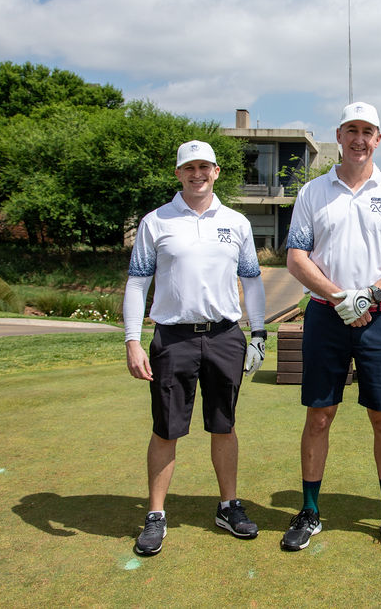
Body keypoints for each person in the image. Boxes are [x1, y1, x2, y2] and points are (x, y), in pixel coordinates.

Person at [282, 102, 381, 555]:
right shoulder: (313, 192)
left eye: (368, 131)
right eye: (351, 130)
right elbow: (297, 257)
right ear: (339, 135)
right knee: (319, 415)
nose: (359, 139)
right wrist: (343, 298)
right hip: (327, 316)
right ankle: (309, 510)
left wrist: (370, 295)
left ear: (378, 138)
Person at [124, 140, 268, 556]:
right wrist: (132, 340)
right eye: (189, 167)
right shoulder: (156, 221)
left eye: (205, 167)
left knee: (224, 424)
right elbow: (137, 283)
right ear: (178, 173)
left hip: (225, 336)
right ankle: (155, 514)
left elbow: (252, 281)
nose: (197, 174)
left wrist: (258, 333)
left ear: (216, 171)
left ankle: (228, 506)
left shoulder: (236, 222)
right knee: (166, 428)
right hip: (173, 338)